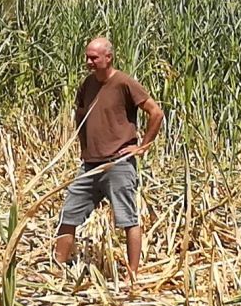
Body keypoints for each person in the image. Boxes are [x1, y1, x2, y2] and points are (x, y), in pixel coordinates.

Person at [54, 36, 164, 285]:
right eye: (87, 57)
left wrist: (142, 146)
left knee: (127, 218)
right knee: (68, 215)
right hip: (91, 165)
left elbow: (156, 112)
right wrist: (85, 147)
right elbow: (81, 116)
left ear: (108, 58)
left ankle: (132, 277)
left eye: (93, 57)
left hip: (118, 163)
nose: (88, 62)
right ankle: (57, 270)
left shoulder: (124, 83)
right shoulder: (87, 85)